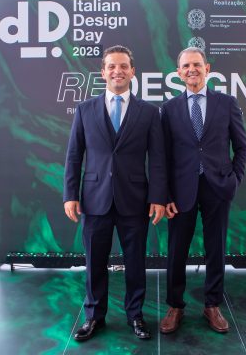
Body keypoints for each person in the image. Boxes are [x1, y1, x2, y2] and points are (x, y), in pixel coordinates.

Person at [63, 45, 167, 341]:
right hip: (94, 199)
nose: (117, 71)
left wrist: (158, 197)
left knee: (135, 262)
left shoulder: (149, 112)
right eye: (111, 66)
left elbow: (157, 159)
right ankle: (94, 316)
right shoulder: (85, 110)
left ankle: (135, 315)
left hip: (135, 199)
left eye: (123, 66)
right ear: (103, 72)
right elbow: (74, 155)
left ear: (133, 72)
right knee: (94, 263)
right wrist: (70, 194)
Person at [159, 47, 246, 334]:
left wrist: (234, 180)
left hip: (218, 187)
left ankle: (212, 305)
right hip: (180, 192)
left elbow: (242, 147)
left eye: (197, 64)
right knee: (176, 250)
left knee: (216, 249)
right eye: (186, 66)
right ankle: (175, 306)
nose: (192, 70)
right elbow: (162, 156)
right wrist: (165, 195)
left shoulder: (227, 103)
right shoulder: (169, 109)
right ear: (178, 72)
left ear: (207, 68)